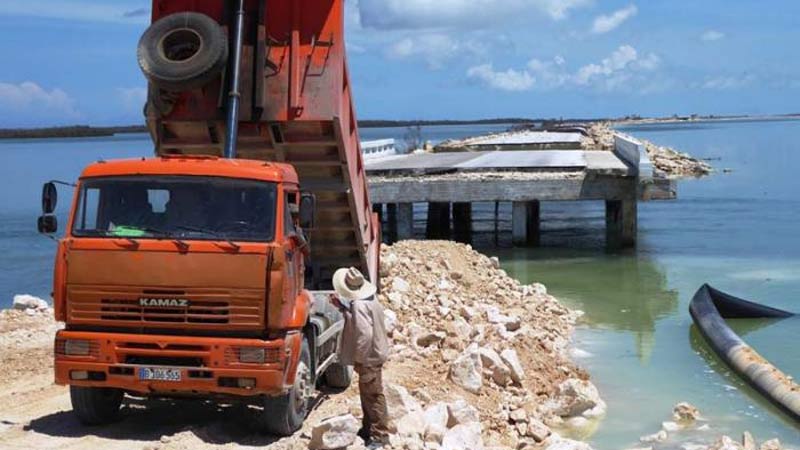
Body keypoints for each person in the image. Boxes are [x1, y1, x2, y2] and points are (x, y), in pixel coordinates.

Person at [330, 267, 391, 444]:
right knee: (368, 393)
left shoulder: (359, 305)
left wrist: (359, 359)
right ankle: (368, 429)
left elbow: (364, 334)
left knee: (373, 395)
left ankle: (379, 436)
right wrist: (343, 307)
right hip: (375, 353)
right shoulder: (370, 299)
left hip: (369, 358)